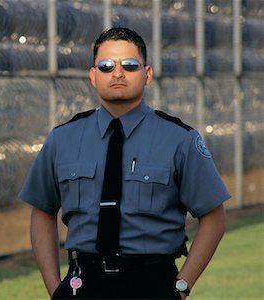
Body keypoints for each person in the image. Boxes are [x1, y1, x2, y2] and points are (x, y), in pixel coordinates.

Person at [19, 27, 230, 299]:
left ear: (148, 74)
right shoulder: (63, 139)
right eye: (106, 66)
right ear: (93, 77)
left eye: (130, 65)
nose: (117, 73)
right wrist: (54, 288)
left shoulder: (180, 139)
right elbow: (43, 211)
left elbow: (214, 216)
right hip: (83, 284)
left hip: (152, 284)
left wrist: (181, 286)